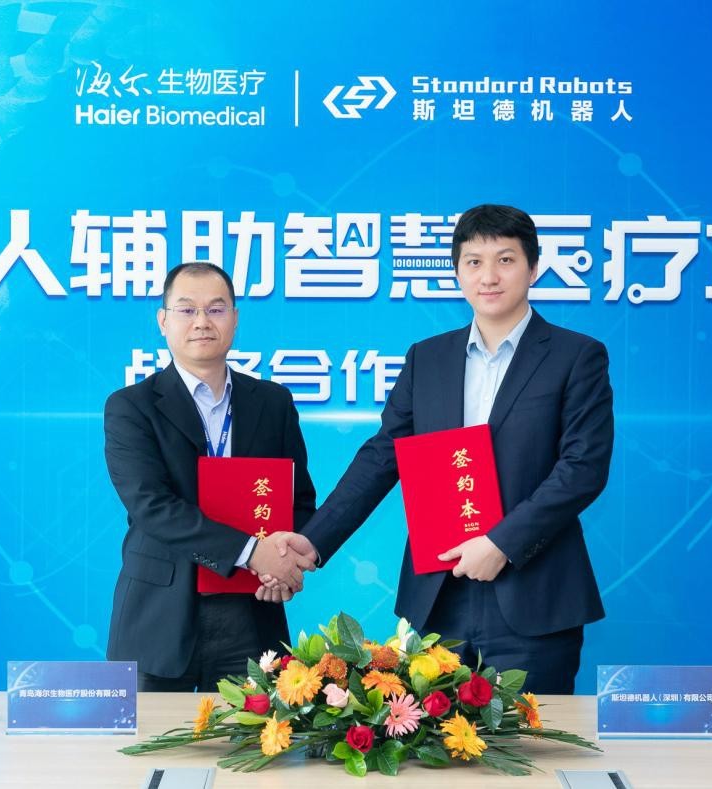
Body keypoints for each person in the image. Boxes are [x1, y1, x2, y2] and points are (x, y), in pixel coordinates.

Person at [260, 205, 613, 694]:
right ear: (457, 273)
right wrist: (313, 539)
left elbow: (582, 468)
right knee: (434, 737)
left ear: (533, 268)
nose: (488, 276)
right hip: (438, 600)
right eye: (473, 262)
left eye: (506, 260)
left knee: (531, 739)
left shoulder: (576, 356)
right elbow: (383, 456)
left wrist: (501, 543)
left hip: (534, 596)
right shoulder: (428, 358)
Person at [105, 262, 318, 691]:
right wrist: (253, 553)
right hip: (159, 616)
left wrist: (283, 563)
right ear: (163, 321)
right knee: (150, 733)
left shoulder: (273, 402)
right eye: (187, 310)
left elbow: (298, 501)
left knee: (253, 733)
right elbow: (151, 506)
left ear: (235, 319)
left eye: (216, 309)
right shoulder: (131, 406)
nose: (202, 321)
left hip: (252, 612)